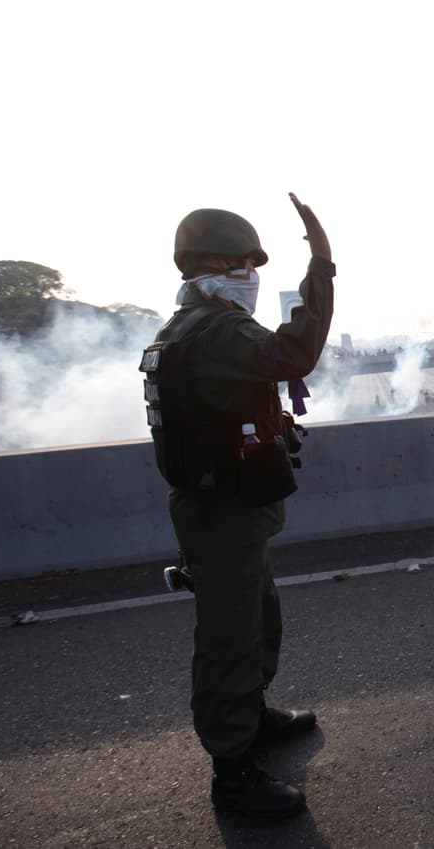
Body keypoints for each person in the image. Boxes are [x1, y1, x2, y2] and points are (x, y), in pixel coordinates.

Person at [140, 195, 333, 818]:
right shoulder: (219, 329)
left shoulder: (187, 327)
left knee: (256, 618)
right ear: (211, 266)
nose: (251, 277)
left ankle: (251, 717)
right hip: (221, 511)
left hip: (225, 506)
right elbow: (295, 354)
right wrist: (321, 268)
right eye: (242, 264)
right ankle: (233, 774)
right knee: (229, 639)